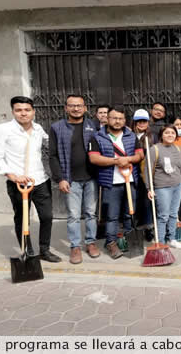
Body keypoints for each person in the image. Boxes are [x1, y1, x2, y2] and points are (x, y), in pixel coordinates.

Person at [0, 96, 61, 263]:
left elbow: (50, 144)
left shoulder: (38, 129)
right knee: (22, 219)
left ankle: (45, 250)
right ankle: (27, 251)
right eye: (19, 110)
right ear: (13, 111)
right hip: (18, 184)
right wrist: (13, 176)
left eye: (27, 110)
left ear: (33, 112)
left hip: (40, 181)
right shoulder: (2, 130)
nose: (23, 113)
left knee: (47, 217)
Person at [49, 94, 100, 264]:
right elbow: (53, 156)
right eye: (72, 105)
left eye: (79, 105)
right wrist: (60, 179)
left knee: (91, 213)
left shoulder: (93, 125)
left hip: (92, 178)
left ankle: (91, 243)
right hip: (71, 180)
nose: (76, 108)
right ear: (66, 108)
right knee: (73, 215)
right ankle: (75, 247)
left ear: (85, 108)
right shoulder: (57, 128)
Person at [88, 106, 144, 259]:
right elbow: (94, 158)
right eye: (114, 118)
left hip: (130, 181)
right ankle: (111, 243)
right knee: (112, 216)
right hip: (111, 183)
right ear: (107, 119)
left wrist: (128, 159)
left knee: (129, 214)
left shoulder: (131, 136)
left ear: (125, 120)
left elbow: (140, 155)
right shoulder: (98, 137)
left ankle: (128, 241)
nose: (117, 121)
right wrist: (116, 161)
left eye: (120, 118)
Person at [145, 125, 181, 249]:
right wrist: (149, 188)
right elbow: (147, 169)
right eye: (167, 133)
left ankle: (172, 239)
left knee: (174, 214)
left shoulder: (178, 149)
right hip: (162, 187)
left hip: (177, 186)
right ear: (161, 135)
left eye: (172, 133)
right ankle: (161, 241)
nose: (170, 135)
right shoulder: (155, 149)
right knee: (163, 215)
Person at [132, 109, 155, 232]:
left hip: (146, 172)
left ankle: (149, 227)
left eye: (144, 121)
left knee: (147, 200)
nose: (141, 124)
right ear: (134, 122)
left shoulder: (152, 137)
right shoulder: (129, 135)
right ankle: (135, 225)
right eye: (139, 121)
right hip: (131, 171)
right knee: (134, 199)